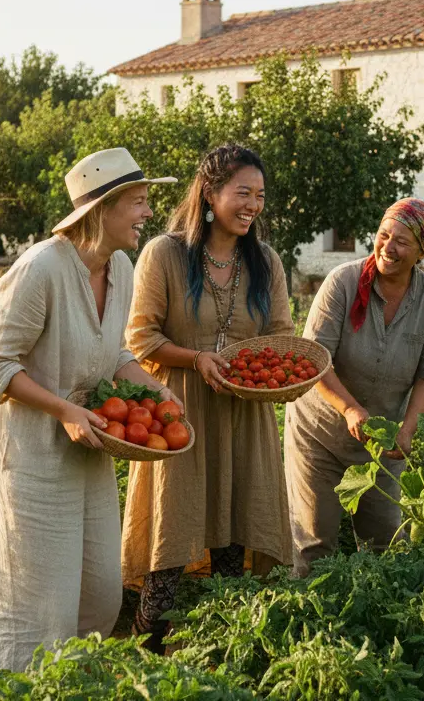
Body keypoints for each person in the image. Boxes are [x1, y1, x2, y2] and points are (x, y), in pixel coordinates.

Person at [0, 148, 184, 670]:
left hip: (89, 457)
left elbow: (112, 353)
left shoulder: (121, 266)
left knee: (99, 597)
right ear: (103, 209)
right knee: (40, 614)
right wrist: (65, 411)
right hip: (32, 465)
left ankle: (74, 684)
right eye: (138, 202)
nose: (147, 213)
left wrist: (156, 391)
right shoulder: (41, 269)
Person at [122, 144, 294, 652]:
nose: (253, 205)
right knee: (171, 534)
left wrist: (261, 370)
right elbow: (141, 338)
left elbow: (282, 337)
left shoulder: (264, 262)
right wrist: (197, 359)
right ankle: (145, 647)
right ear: (210, 194)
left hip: (244, 415)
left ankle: (222, 648)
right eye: (243, 192)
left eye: (260, 196)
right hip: (180, 415)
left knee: (237, 532)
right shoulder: (165, 254)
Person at [284, 197, 424, 578]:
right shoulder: (342, 283)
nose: (388, 248)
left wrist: (408, 429)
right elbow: (315, 360)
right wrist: (348, 408)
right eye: (383, 235)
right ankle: (310, 628)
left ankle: (375, 626)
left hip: (381, 444)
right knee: (315, 546)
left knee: (386, 548)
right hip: (319, 436)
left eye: (402, 241)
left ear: (422, 251)